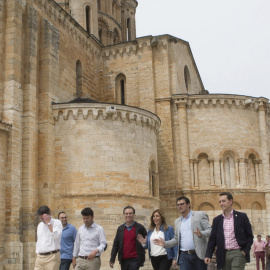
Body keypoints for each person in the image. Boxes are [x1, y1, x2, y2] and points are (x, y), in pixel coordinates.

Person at [153, 196, 212, 270]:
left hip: (198, 255)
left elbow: (209, 230)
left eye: (182, 204)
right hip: (184, 256)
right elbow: (176, 239)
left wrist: (201, 234)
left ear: (188, 204)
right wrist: (165, 243)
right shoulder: (177, 221)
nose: (179, 206)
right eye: (178, 205)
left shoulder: (200, 215)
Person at [205, 192, 253, 270]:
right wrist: (208, 255)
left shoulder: (242, 217)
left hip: (238, 252)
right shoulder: (217, 220)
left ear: (230, 201)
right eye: (220, 202)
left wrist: (245, 251)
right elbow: (212, 239)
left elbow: (249, 236)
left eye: (223, 201)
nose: (221, 204)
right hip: (222, 254)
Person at [109, 206, 147, 270]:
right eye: (126, 213)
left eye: (130, 213)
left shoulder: (140, 228)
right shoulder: (120, 229)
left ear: (134, 214)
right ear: (124, 215)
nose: (128, 215)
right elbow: (116, 244)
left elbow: (146, 240)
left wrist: (144, 243)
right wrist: (112, 259)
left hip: (135, 259)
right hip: (123, 260)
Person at [34, 205, 62, 270]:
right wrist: (37, 252)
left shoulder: (57, 222)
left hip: (52, 257)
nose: (43, 220)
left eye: (44, 218)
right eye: (41, 218)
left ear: (49, 214)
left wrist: (48, 223)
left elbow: (56, 236)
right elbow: (39, 240)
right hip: (40, 257)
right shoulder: (40, 225)